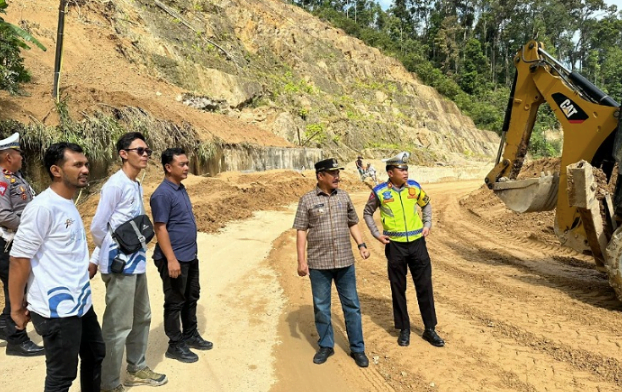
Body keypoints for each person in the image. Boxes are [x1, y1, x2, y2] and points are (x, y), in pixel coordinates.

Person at [9, 142, 105, 391]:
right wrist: (17, 308)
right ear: (56, 170)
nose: (85, 169)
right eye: (78, 165)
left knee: (95, 355)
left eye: (86, 164)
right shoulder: (42, 207)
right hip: (57, 310)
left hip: (80, 303)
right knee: (62, 376)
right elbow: (19, 260)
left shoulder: (68, 202)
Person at [90, 132, 167, 392]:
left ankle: (136, 368)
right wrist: (109, 254)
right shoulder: (115, 185)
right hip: (120, 266)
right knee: (117, 326)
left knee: (142, 316)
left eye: (147, 150)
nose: (145, 154)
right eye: (139, 150)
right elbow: (98, 227)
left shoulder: (135, 184)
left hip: (136, 263)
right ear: (124, 153)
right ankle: (108, 383)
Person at [293, 158, 371, 368]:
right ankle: (326, 345)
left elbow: (352, 222)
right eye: (333, 173)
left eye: (338, 172)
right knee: (321, 306)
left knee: (352, 306)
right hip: (319, 263)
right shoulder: (307, 200)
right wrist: (301, 261)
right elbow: (301, 231)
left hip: (345, 261)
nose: (337, 176)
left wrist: (361, 244)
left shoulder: (344, 197)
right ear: (320, 176)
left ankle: (357, 348)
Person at [363, 152, 445, 348]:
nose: (406, 172)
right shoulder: (380, 192)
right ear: (391, 173)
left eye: (407, 169)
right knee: (398, 287)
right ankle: (404, 329)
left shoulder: (414, 187)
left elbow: (426, 205)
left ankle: (429, 329)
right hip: (395, 246)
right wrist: (376, 234)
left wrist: (427, 223)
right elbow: (367, 212)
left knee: (425, 286)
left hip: (418, 244)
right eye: (402, 169)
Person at [150, 148, 213, 364]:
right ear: (168, 167)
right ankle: (174, 345)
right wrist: (171, 259)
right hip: (174, 258)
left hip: (189, 256)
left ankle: (190, 335)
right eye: (182, 164)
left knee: (191, 296)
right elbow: (160, 229)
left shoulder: (180, 188)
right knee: (175, 301)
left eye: (187, 163)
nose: (187, 168)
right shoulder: (162, 194)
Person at [0, 132, 44, 356]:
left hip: (13, 241)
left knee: (15, 287)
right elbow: (4, 215)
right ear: (9, 157)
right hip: (7, 243)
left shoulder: (13, 176)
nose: (22, 158)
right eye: (19, 154)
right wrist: (29, 228)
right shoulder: (2, 180)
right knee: (16, 290)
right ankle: (17, 340)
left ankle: (4, 327)